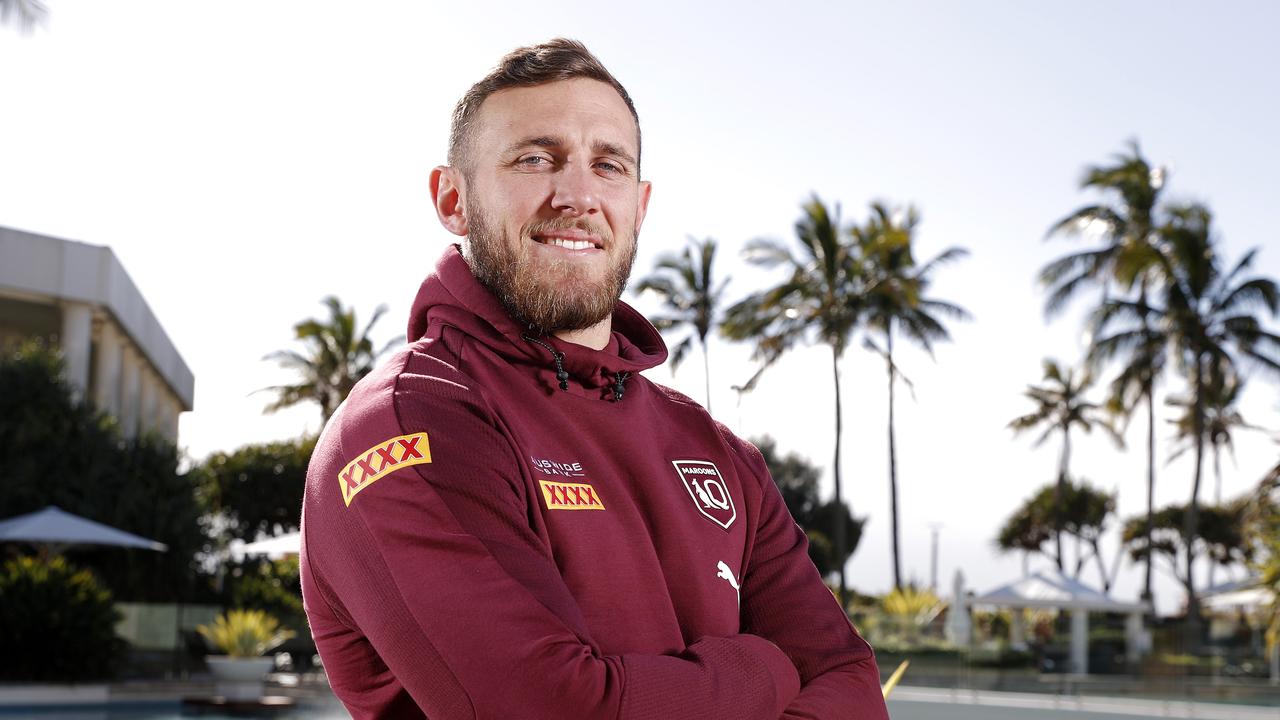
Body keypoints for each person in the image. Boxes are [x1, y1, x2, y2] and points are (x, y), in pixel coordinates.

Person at [300, 38, 888, 720]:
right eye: (534, 159)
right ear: (453, 200)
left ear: (639, 204)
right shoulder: (409, 422)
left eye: (607, 166)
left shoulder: (720, 454)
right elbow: (551, 708)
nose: (577, 195)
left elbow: (850, 682)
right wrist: (764, 669)